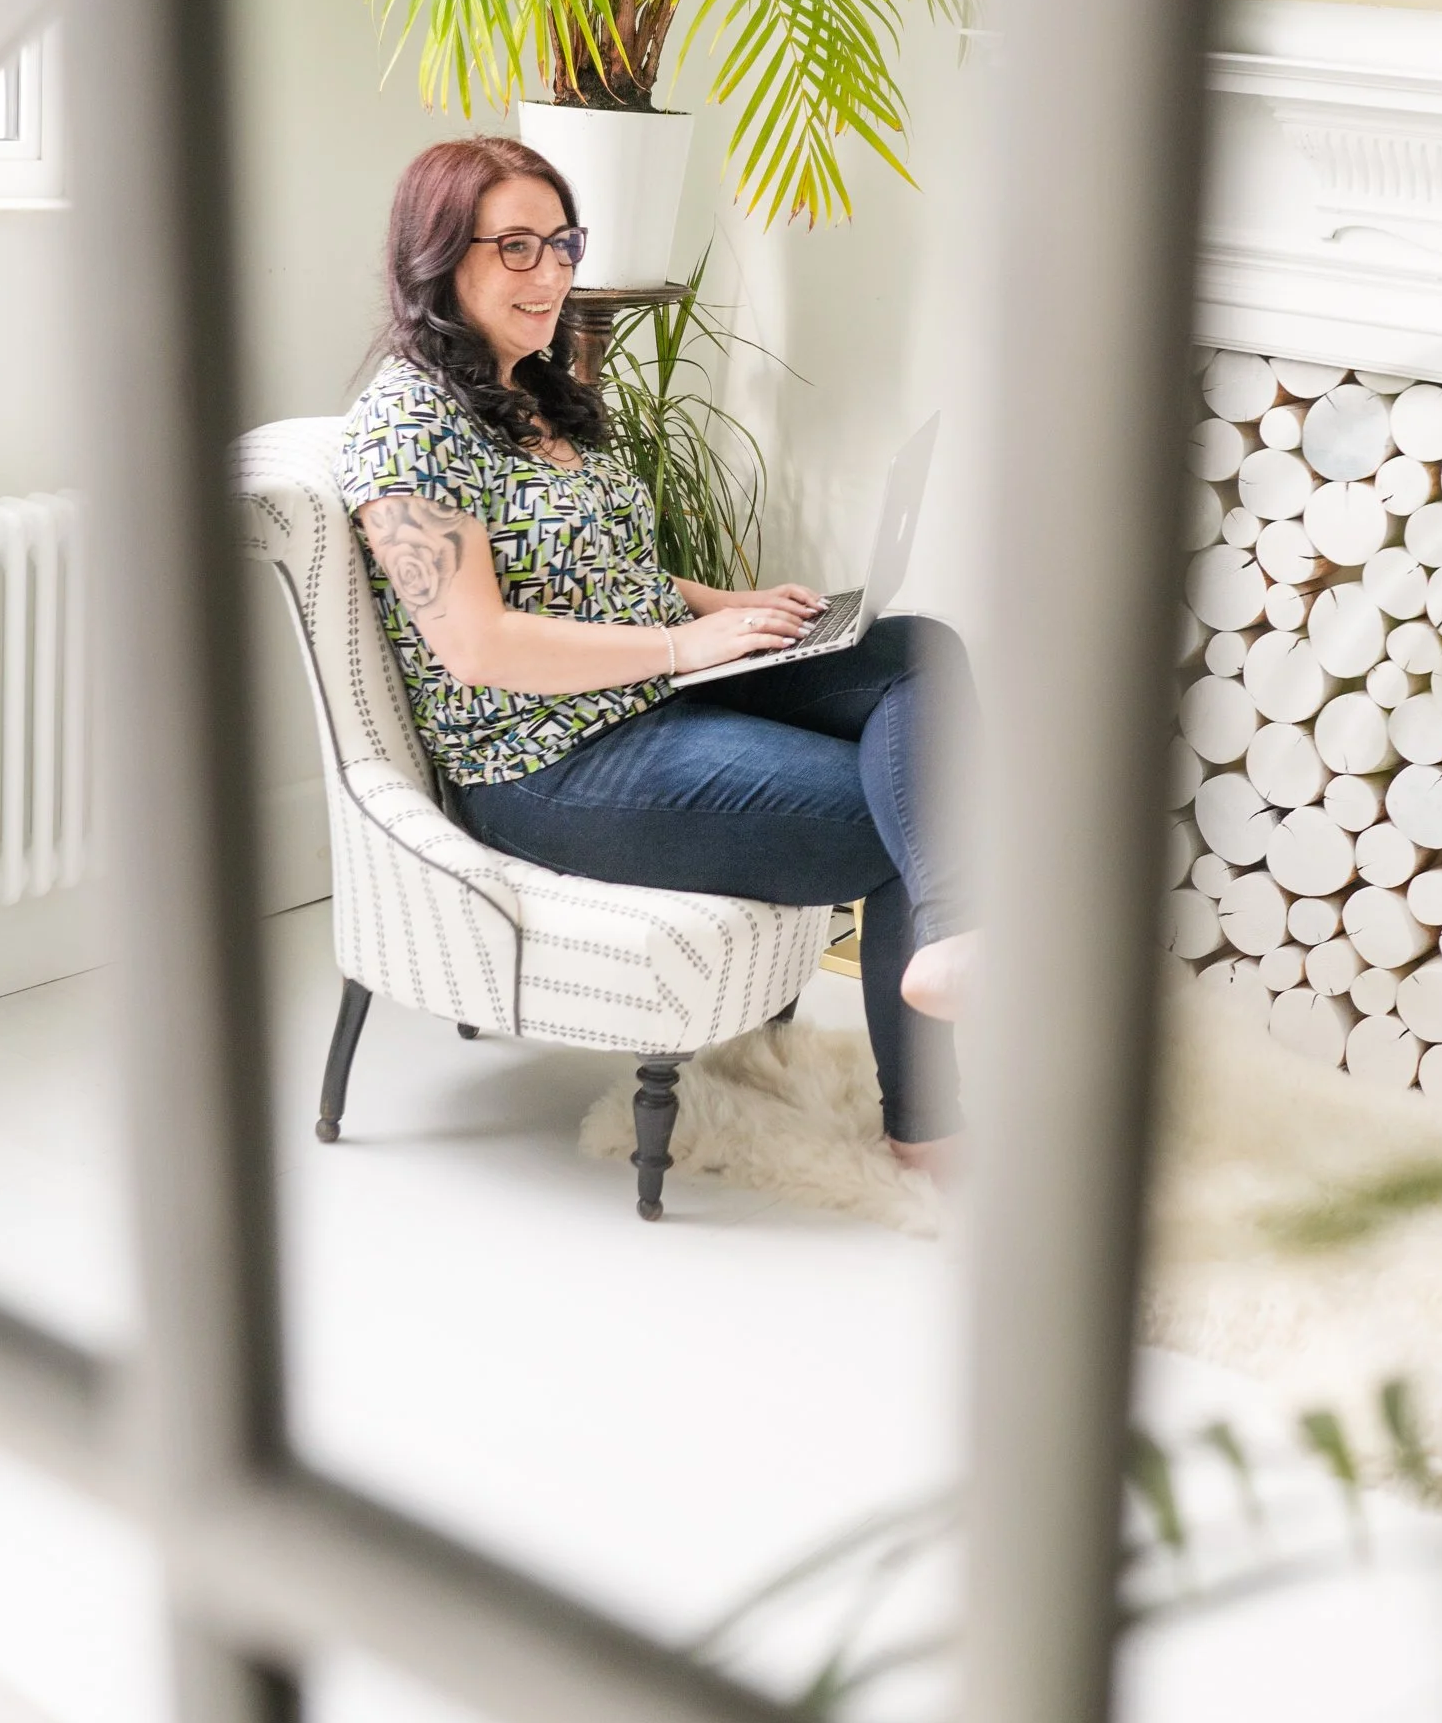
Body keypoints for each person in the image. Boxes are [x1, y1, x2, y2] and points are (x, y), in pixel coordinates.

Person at [336, 137, 978, 1170]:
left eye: (562, 242)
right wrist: (684, 646)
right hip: (546, 764)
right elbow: (477, 645)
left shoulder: (538, 393)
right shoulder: (405, 425)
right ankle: (929, 1129)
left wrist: (736, 609)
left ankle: (952, 939)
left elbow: (608, 566)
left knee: (920, 652)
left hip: (649, 692)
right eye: (514, 246)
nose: (551, 273)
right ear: (439, 258)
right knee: (906, 797)